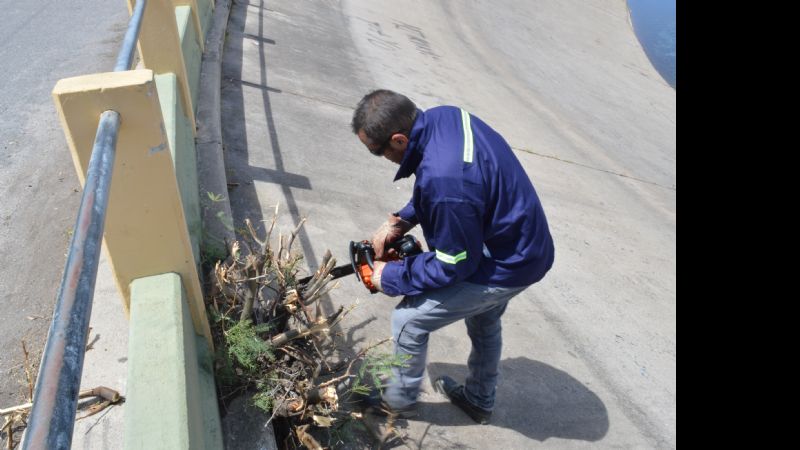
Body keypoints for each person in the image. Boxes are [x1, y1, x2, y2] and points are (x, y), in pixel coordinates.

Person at [350, 89, 554, 424]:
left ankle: (398, 402)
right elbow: (440, 182)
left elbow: (454, 263)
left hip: (506, 262)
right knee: (485, 318)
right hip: (524, 245)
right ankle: (479, 400)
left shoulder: (447, 182)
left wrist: (389, 276)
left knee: (409, 321)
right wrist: (398, 222)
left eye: (377, 151)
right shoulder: (443, 117)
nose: (380, 157)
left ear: (399, 140)